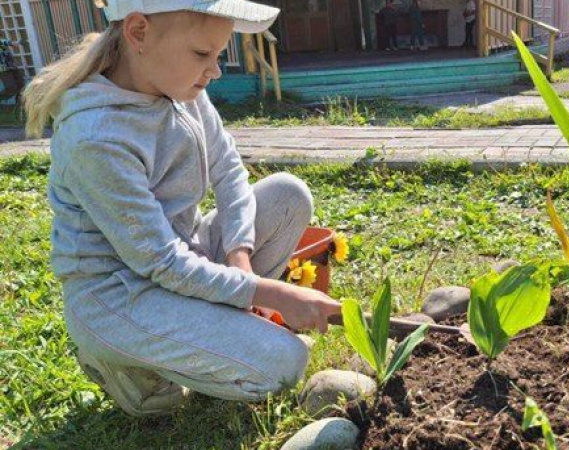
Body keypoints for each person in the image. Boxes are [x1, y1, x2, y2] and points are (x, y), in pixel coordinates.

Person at [22, 0, 342, 417]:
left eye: (219, 54)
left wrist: (239, 257)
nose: (215, 70)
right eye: (201, 54)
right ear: (138, 32)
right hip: (121, 295)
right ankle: (125, 360)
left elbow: (228, 169)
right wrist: (271, 291)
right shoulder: (96, 137)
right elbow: (159, 261)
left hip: (181, 254)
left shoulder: (180, 88)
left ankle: (211, 334)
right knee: (285, 364)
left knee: (288, 195)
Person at [0, 38, 24, 103]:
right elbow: (5, 42)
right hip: (3, 69)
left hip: (12, 66)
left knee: (21, 85)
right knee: (12, 88)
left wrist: (15, 43)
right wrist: (16, 43)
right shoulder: (2, 41)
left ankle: (20, 103)